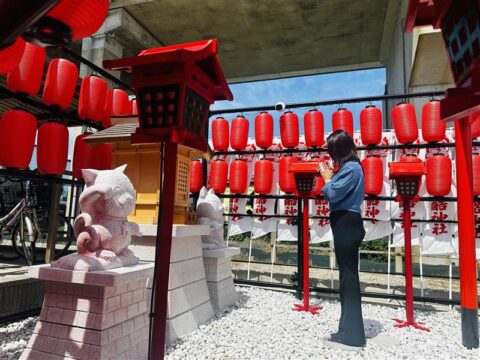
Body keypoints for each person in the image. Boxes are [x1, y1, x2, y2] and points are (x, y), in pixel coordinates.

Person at [319, 129, 366, 347]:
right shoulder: (348, 168)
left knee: (349, 278)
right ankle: (346, 329)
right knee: (346, 278)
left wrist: (327, 179)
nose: (330, 155)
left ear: (340, 150)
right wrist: (331, 178)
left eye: (332, 150)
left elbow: (332, 194)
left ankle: (354, 335)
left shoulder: (352, 168)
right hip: (344, 223)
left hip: (347, 222)